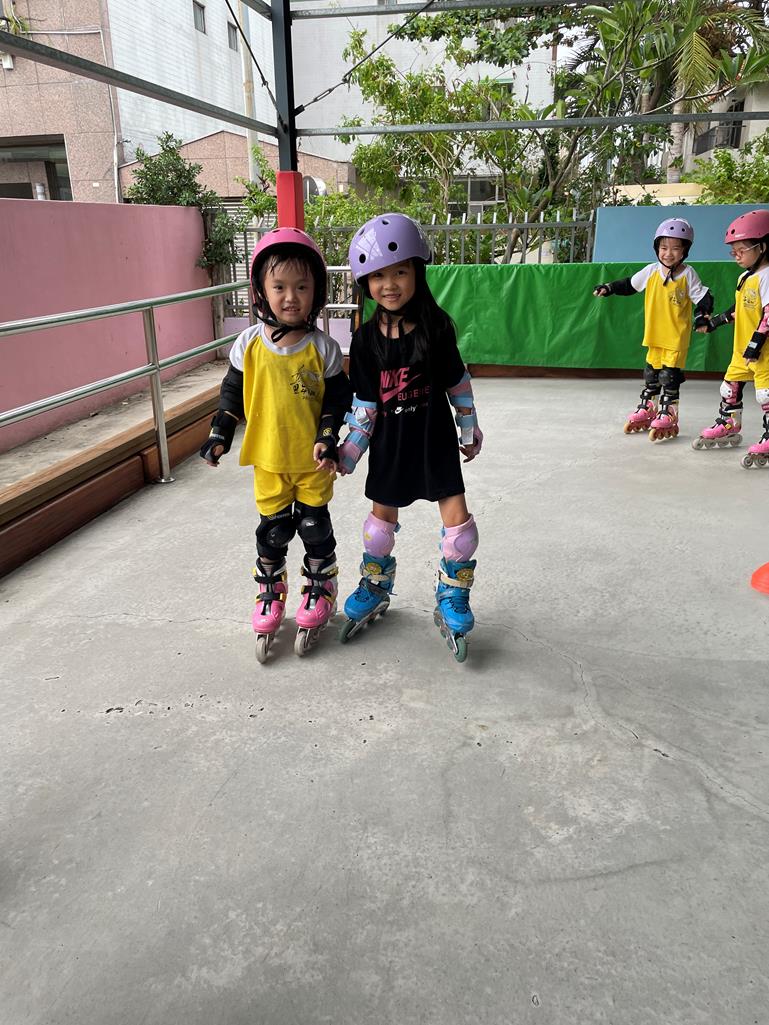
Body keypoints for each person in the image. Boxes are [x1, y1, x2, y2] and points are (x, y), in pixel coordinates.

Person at [334, 213, 482, 662]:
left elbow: (457, 383)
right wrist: (350, 452)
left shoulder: (437, 329)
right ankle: (376, 584)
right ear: (365, 283)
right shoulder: (364, 341)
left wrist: (469, 427)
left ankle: (452, 594)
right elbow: (365, 405)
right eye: (378, 276)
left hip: (434, 441)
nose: (390, 284)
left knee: (461, 530)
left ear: (418, 271)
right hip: (391, 445)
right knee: (378, 529)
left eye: (400, 272)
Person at [200, 227, 352, 660]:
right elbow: (232, 394)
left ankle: (321, 584)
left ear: (316, 292)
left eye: (302, 287)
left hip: (312, 463)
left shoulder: (323, 348)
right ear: (261, 291)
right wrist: (219, 433)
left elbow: (336, 401)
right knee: (273, 531)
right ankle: (270, 590)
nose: (290, 297)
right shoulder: (248, 344)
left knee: (314, 527)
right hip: (268, 460)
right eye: (280, 286)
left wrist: (328, 437)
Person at [593, 218, 714, 441]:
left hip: (675, 337)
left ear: (685, 251)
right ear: (657, 248)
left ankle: (669, 412)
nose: (668, 253)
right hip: (654, 335)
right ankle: (649, 406)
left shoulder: (688, 274)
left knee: (669, 376)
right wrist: (609, 288)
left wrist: (701, 316)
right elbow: (629, 284)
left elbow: (704, 297)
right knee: (651, 375)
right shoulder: (651, 271)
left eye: (675, 248)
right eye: (664, 247)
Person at [692, 209, 769, 467]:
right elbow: (740, 310)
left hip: (764, 351)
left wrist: (755, 345)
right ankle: (729, 423)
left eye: (741, 250)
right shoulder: (745, 277)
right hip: (742, 350)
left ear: (763, 247)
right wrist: (715, 322)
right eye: (733, 251)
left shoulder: (768, 277)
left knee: (765, 394)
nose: (736, 255)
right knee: (728, 388)